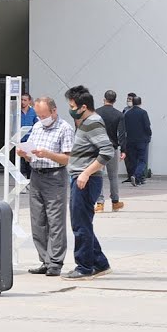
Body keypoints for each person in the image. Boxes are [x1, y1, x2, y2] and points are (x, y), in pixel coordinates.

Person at [16, 97, 75, 277]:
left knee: (55, 220)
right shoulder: (37, 127)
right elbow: (31, 155)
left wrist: (48, 154)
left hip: (55, 175)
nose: (42, 119)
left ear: (54, 111)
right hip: (36, 174)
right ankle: (45, 259)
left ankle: (55, 262)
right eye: (39, 116)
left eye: (44, 115)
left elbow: (67, 158)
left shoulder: (64, 128)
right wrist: (24, 154)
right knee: (38, 220)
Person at [61, 86, 113, 280]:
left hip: (86, 180)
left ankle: (84, 267)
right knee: (83, 223)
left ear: (83, 107)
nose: (71, 109)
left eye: (72, 106)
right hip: (82, 178)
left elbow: (107, 151)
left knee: (80, 224)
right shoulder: (86, 122)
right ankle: (100, 263)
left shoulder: (92, 123)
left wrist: (85, 173)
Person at [95, 91, 125, 212]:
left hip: (98, 148)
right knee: (113, 177)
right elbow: (122, 134)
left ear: (104, 99)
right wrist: (123, 150)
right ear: (115, 100)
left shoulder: (96, 113)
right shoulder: (119, 115)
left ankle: (100, 203)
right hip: (112, 148)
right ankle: (115, 202)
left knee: (98, 175)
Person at [120, 94, 152, 186]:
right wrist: (149, 134)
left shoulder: (127, 113)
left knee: (133, 160)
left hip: (130, 140)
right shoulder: (143, 113)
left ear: (133, 103)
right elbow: (147, 126)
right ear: (140, 103)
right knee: (142, 160)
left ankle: (136, 179)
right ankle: (136, 175)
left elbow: (124, 127)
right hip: (142, 140)